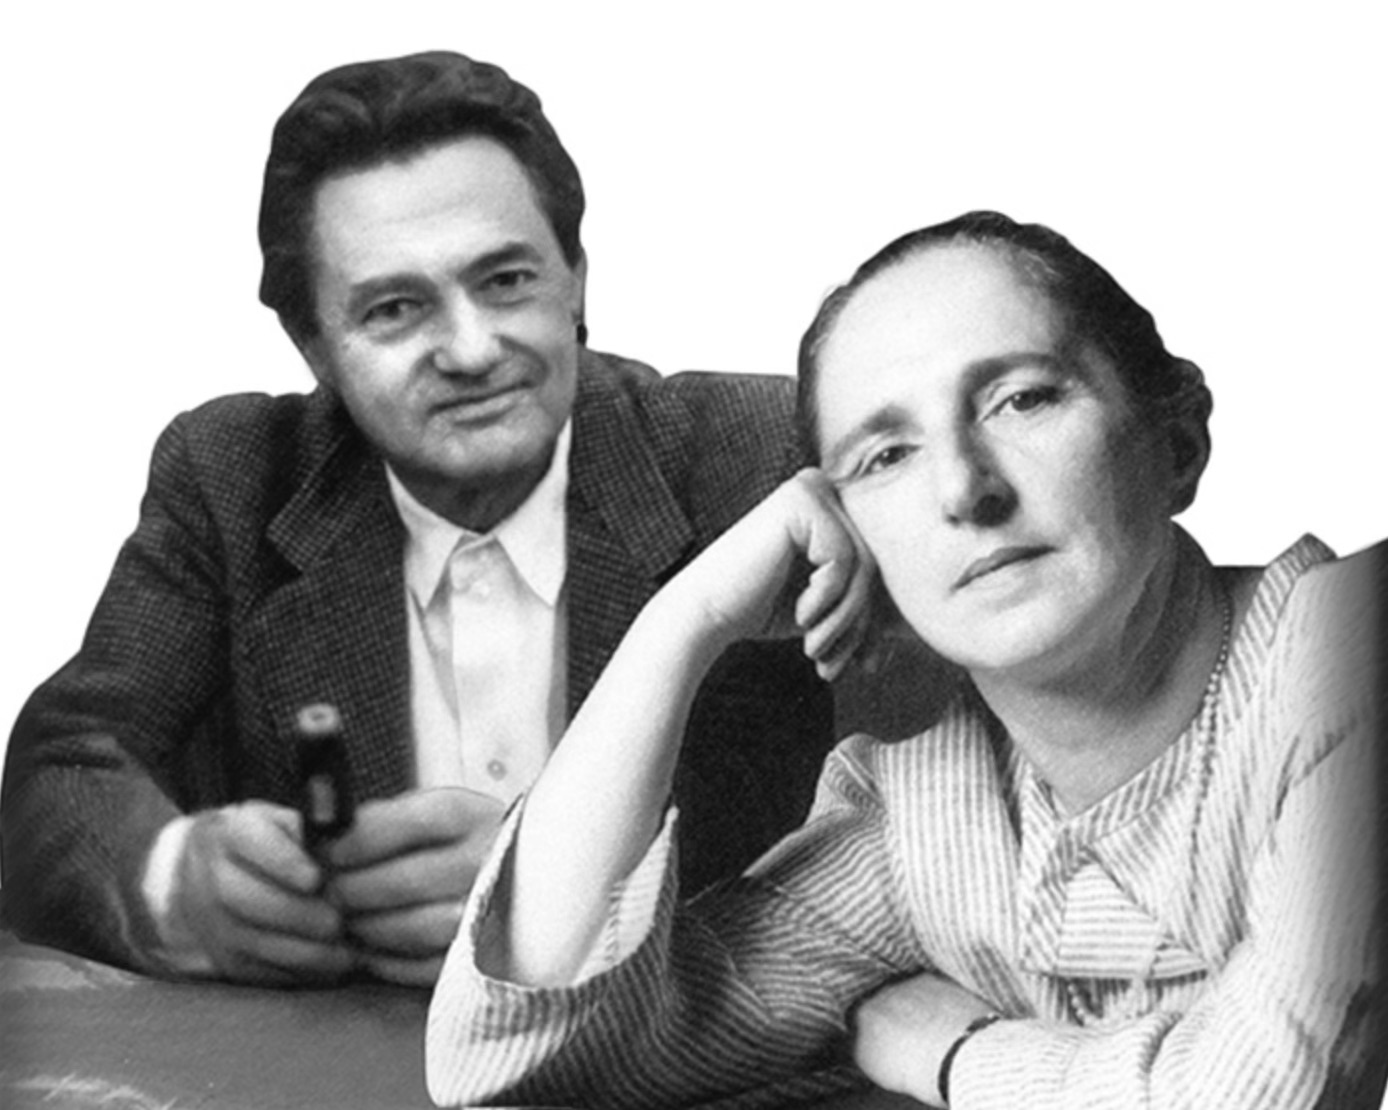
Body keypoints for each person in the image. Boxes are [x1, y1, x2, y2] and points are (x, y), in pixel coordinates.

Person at [426, 211, 1386, 1109]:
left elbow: (1269, 1090)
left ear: (1176, 441)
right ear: (854, 538)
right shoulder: (929, 820)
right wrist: (685, 622)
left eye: (1022, 399)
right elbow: (510, 1057)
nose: (965, 489)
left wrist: (959, 1054)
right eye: (886, 456)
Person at [0, 51, 838, 988]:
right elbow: (59, 775)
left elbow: (927, 801)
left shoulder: (766, 456)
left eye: (507, 280)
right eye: (396, 309)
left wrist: (562, 895)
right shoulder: (230, 479)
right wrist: (169, 884)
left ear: (576, 281)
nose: (472, 351)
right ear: (313, 345)